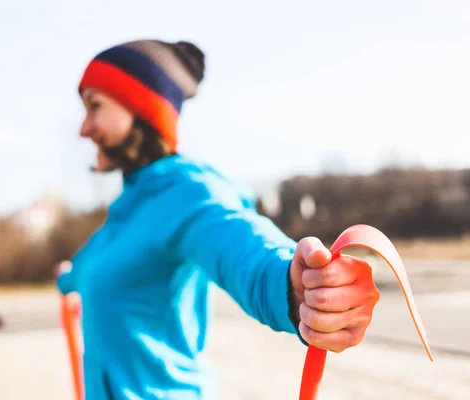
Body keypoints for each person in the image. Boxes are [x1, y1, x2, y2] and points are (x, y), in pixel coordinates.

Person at [55, 39, 380, 399]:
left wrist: (294, 282)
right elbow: (88, 267)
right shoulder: (125, 213)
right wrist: (67, 279)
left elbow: (241, 245)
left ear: (141, 109)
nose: (84, 128)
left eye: (94, 106)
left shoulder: (187, 193)